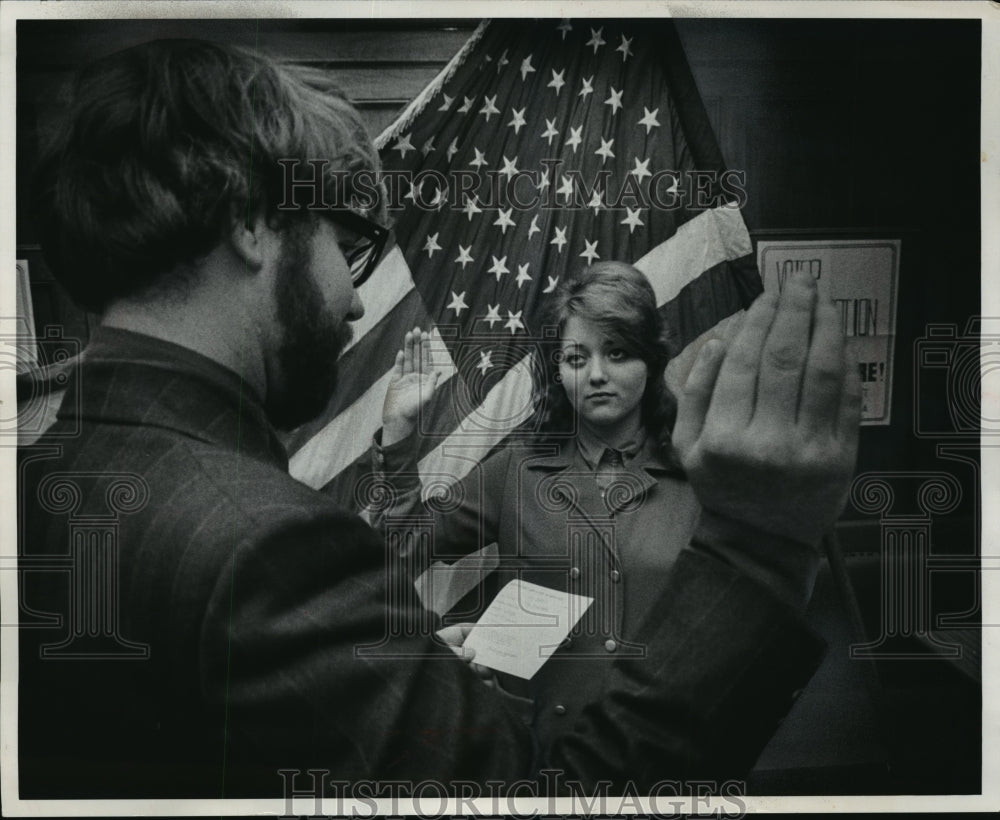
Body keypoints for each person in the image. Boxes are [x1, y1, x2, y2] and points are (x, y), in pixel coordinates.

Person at [16, 37, 860, 800]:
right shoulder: (267, 540)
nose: (353, 299)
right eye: (347, 242)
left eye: (619, 352)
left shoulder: (44, 467)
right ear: (249, 222)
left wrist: (401, 687)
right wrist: (759, 542)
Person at [375, 261, 828, 754]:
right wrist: (399, 434)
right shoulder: (515, 472)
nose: (596, 375)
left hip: (665, 753)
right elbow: (400, 551)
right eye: (575, 359)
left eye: (617, 353)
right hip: (537, 755)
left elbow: (752, 621)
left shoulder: (702, 474)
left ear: (650, 361)